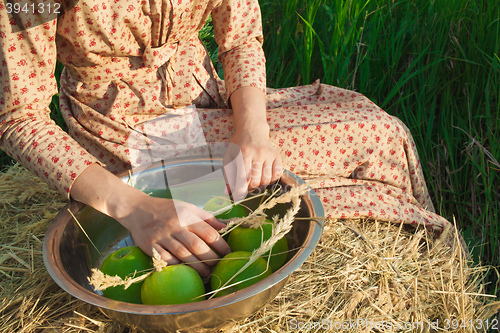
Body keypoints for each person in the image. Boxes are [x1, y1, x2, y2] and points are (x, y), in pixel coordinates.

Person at [0, 0, 453, 277]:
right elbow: (17, 116)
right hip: (127, 129)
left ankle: (443, 279)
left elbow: (239, 39)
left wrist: (252, 130)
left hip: (205, 93)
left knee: (384, 130)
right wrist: (136, 207)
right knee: (376, 139)